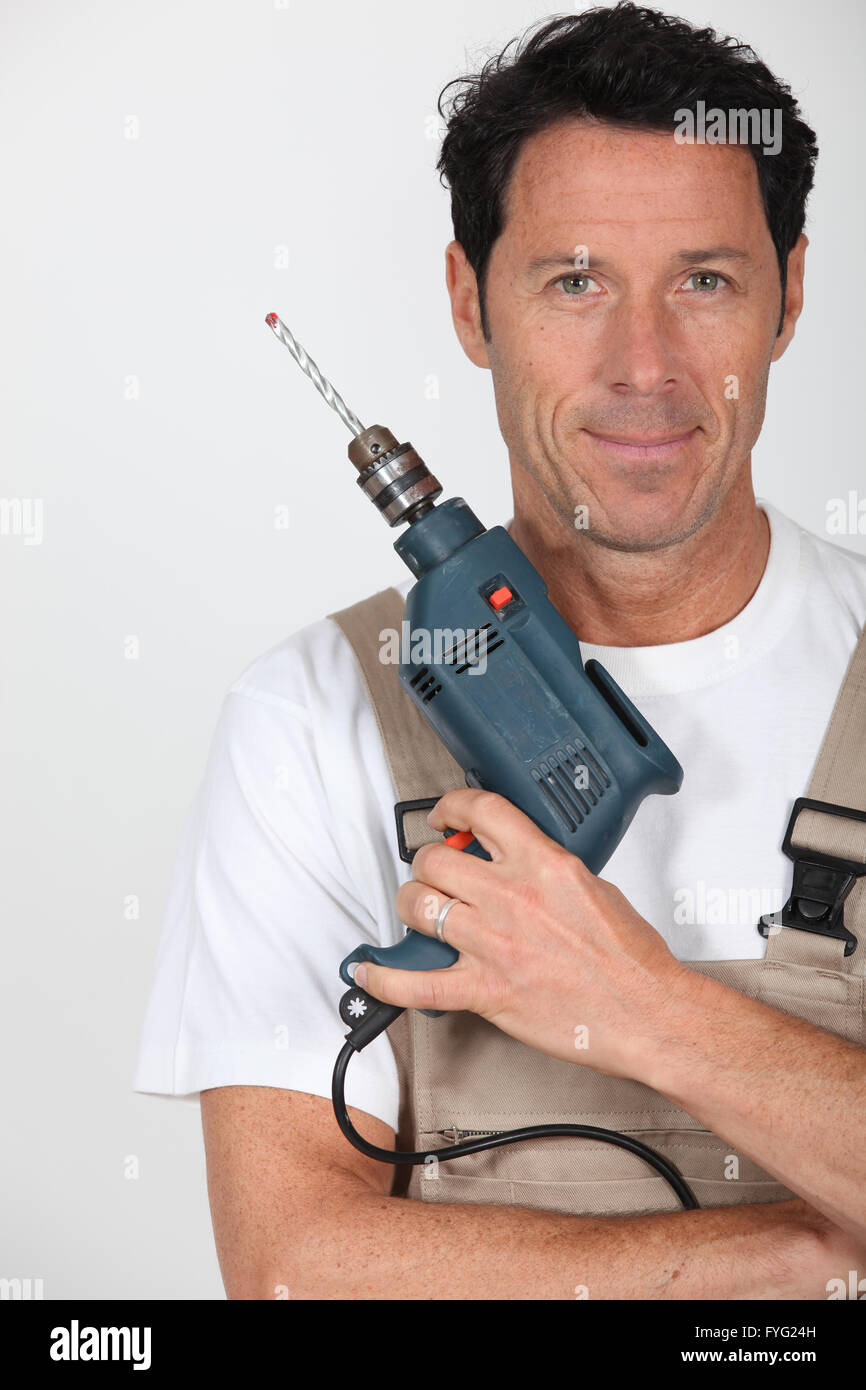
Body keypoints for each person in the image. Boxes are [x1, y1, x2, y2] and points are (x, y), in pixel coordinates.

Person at [134, 3, 866, 1298]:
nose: (643, 367)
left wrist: (639, 1005)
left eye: (703, 280)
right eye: (574, 282)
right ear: (472, 304)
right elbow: (292, 1269)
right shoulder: (308, 719)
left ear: (789, 294)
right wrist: (793, 1258)